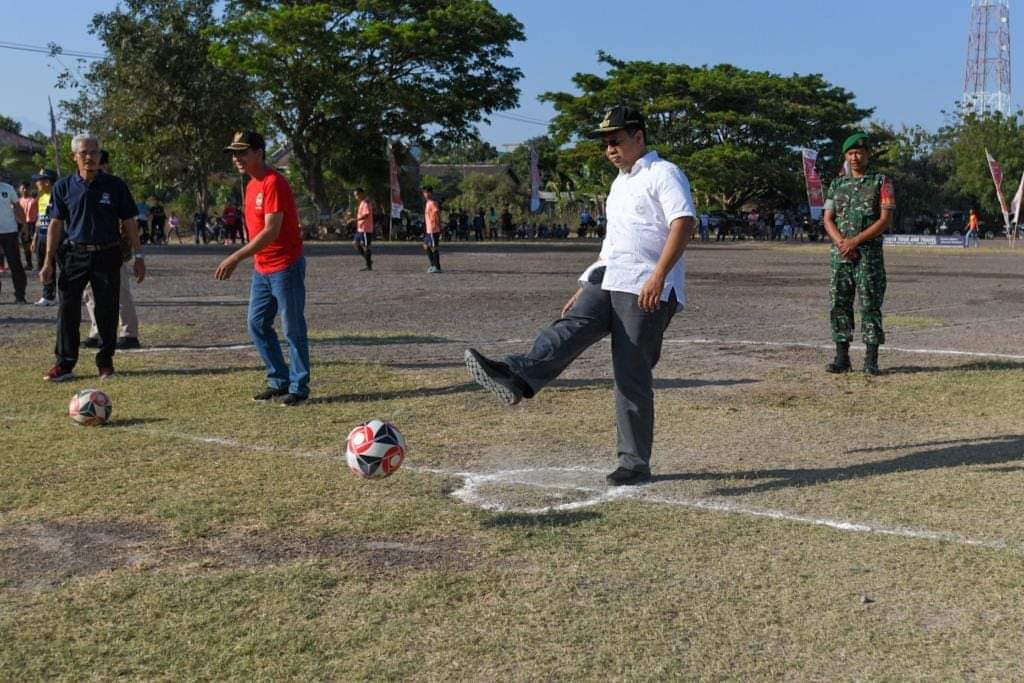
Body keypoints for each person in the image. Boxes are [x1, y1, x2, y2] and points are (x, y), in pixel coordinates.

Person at [464, 105, 697, 487]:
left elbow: (683, 223)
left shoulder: (663, 173)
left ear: (639, 137)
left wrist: (659, 276)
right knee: (568, 328)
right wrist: (586, 282)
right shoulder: (619, 183)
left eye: (616, 140)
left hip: (645, 287)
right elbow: (615, 242)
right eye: (605, 143)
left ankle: (634, 463)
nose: (609, 149)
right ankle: (515, 376)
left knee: (630, 375)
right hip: (609, 278)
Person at [216, 131, 309, 406]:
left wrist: (235, 258)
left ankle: (299, 387)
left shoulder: (273, 182)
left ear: (259, 152)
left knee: (292, 328)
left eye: (242, 152)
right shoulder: (251, 185)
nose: (237, 159)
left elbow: (271, 231)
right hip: (263, 269)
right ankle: (278, 381)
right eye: (234, 153)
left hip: (285, 267)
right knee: (257, 324)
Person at [40, 133, 143, 382]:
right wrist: (47, 261)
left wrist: (138, 255)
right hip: (74, 254)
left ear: (100, 156)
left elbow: (129, 222)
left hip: (107, 254)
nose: (90, 157)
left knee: (106, 311)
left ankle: (105, 362)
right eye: (84, 153)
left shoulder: (115, 185)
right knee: (67, 311)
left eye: (95, 152)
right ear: (74, 156)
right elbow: (56, 224)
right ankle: (64, 364)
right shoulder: (64, 186)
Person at [823, 131, 895, 376]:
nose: (855, 157)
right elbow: (828, 219)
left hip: (868, 256)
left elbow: (884, 219)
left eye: (859, 153)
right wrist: (842, 243)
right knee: (839, 304)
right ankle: (842, 358)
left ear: (867, 154)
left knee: (870, 305)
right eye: (851, 153)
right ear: (845, 156)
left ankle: (871, 360)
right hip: (841, 255)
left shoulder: (880, 182)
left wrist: (855, 241)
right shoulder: (837, 184)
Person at [83, 150, 143, 350]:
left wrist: (135, 252)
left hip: (113, 249)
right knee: (90, 293)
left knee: (120, 292)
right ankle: (96, 331)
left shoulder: (114, 185)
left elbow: (129, 221)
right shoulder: (84, 186)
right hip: (87, 250)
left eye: (101, 164)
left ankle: (128, 333)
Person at [30, 169, 59, 305]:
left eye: (39, 180)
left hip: (58, 237)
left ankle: (67, 294)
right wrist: (35, 237)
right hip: (42, 235)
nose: (36, 183)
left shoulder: (59, 196)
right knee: (44, 265)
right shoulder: (41, 196)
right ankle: (48, 296)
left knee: (64, 266)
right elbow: (39, 218)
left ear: (47, 182)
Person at [0, 176, 28, 303]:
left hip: (9, 232)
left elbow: (17, 207)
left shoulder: (8, 188)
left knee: (15, 264)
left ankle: (20, 295)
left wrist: (25, 225)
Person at [352, 187, 374, 271]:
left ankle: (368, 266)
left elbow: (366, 215)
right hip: (360, 228)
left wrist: (355, 220)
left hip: (366, 228)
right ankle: (368, 260)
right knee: (355, 243)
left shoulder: (366, 202)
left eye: (356, 195)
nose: (356, 197)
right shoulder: (362, 202)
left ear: (361, 194)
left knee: (366, 247)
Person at [422, 186, 442, 273]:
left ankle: (437, 267)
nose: (425, 194)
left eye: (427, 192)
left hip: (433, 229)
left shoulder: (432, 203)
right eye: (424, 192)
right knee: (426, 246)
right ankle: (432, 264)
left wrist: (438, 225)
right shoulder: (427, 203)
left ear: (431, 193)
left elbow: (437, 213)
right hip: (428, 230)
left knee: (434, 247)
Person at [18, 182, 37, 268]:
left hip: (33, 224)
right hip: (22, 225)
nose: (25, 190)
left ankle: (42, 263)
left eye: (26, 188)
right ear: (20, 190)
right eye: (23, 188)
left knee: (35, 245)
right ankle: (29, 264)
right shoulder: (18, 201)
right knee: (26, 246)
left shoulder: (34, 200)